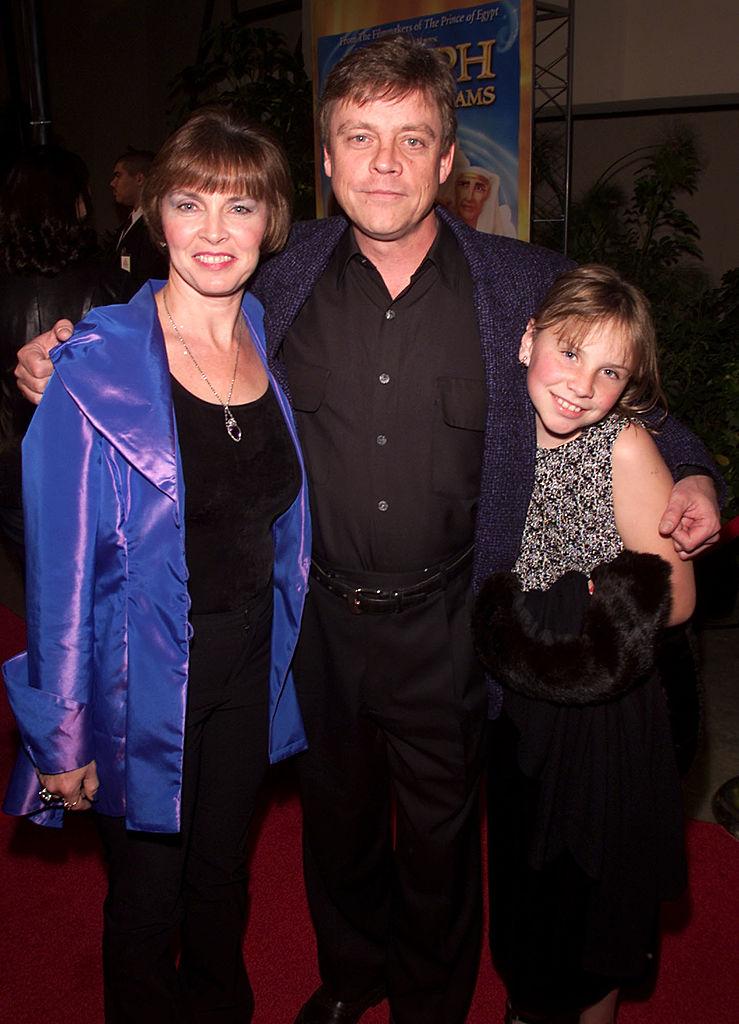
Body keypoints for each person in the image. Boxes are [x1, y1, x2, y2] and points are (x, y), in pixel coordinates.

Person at [13, 37, 721, 1024]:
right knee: (335, 828)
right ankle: (351, 981)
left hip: (450, 616)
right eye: (359, 137)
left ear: (445, 163)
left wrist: (689, 469)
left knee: (441, 837)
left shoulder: (522, 284)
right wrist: (69, 347)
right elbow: (169, 311)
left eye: (411, 139)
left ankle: (429, 1001)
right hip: (311, 624)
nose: (384, 163)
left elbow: (624, 389)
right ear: (328, 156)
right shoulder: (277, 267)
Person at [3, 107, 310, 1024]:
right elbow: (56, 571)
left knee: (223, 877)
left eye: (240, 208)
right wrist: (60, 735)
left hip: (250, 662)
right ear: (153, 215)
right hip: (139, 675)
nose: (215, 232)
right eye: (189, 203)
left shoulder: (262, 326)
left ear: (272, 223)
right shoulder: (90, 365)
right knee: (145, 899)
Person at [473, 265, 696, 1024]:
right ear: (526, 340)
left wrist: (575, 616)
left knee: (590, 892)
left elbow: (679, 594)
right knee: (525, 879)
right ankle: (527, 999)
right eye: (568, 352)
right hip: (516, 705)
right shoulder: (495, 425)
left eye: (608, 371)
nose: (580, 385)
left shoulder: (620, 446)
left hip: (600, 719)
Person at [0, 145, 122, 562]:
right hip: (87, 476)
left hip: (11, 471)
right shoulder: (110, 286)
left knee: (41, 592)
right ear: (77, 203)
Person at [109, 147, 169, 297]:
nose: (112, 183)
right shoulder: (128, 224)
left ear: (139, 179)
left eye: (118, 176)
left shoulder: (156, 225)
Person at [453, 166, 516, 236]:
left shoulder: (502, 234)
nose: (469, 197)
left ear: (488, 195)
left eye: (479, 189)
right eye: (464, 185)